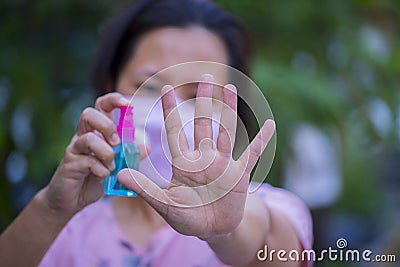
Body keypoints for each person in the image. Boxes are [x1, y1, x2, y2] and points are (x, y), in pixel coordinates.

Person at [0, 1, 313, 266]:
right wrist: (51, 210)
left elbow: (269, 247)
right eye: (149, 87)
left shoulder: (270, 209)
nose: (171, 112)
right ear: (111, 89)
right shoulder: (64, 227)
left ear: (230, 111)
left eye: (196, 95)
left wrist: (225, 232)